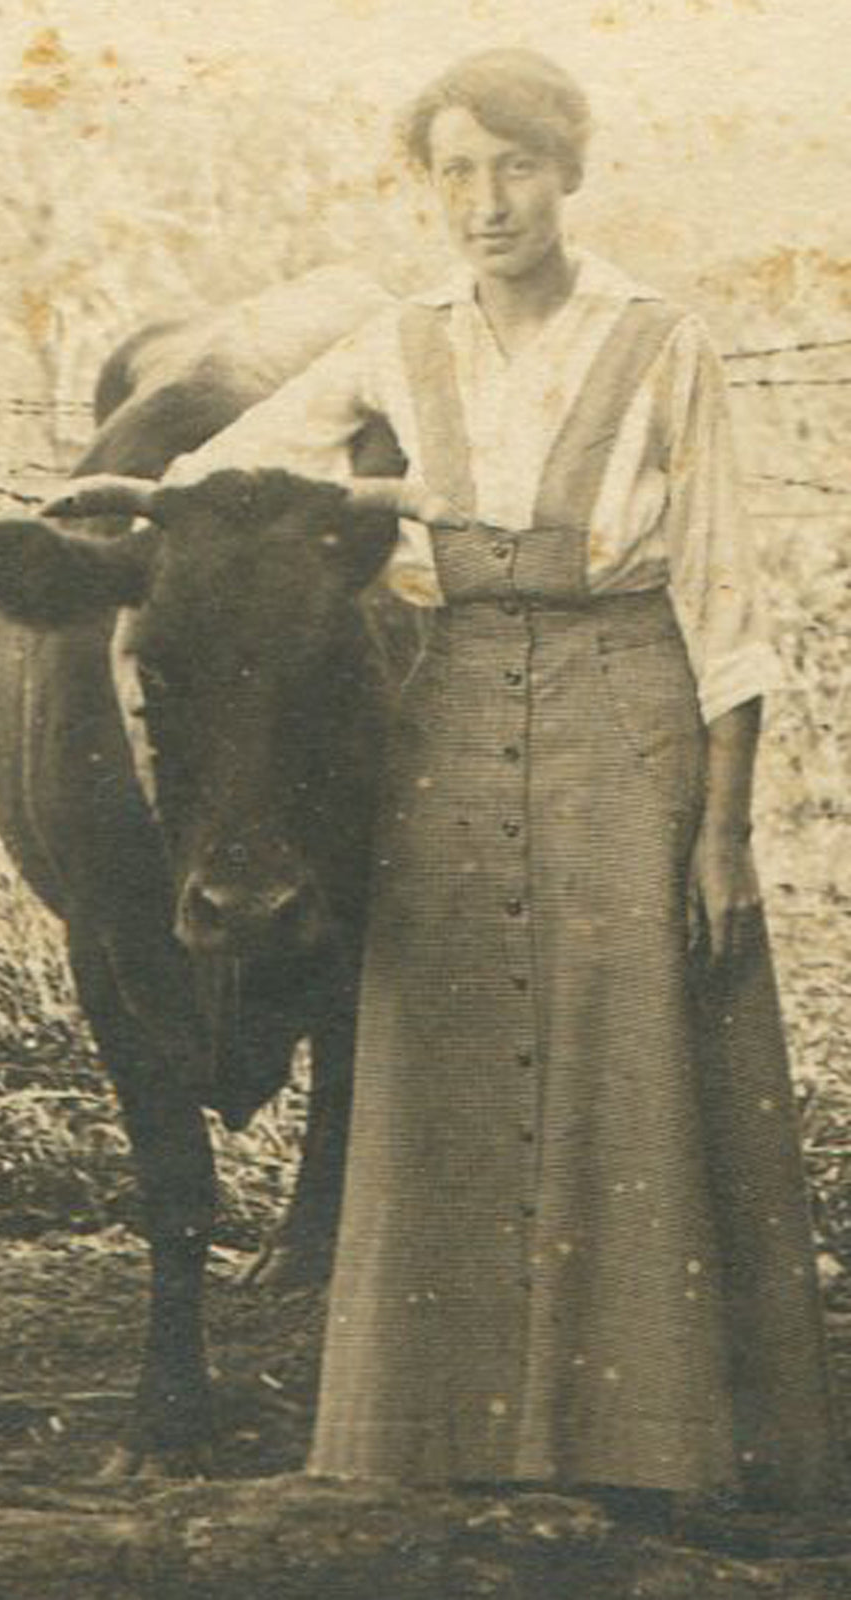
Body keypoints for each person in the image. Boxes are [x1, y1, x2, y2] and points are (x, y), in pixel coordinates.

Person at [164, 48, 839, 1513]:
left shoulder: (661, 343)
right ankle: (437, 1450)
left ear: (568, 173)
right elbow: (231, 480)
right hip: (457, 723)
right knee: (448, 1064)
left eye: (514, 166)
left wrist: (721, 830)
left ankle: (658, 1454)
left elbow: (723, 603)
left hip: (626, 719)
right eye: (456, 172)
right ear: (429, 189)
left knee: (627, 1061)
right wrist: (383, 495)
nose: (487, 201)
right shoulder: (398, 342)